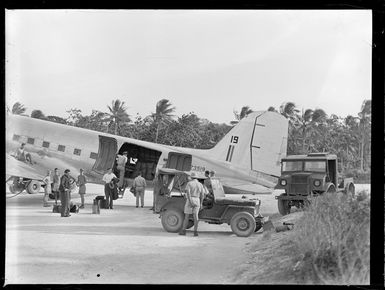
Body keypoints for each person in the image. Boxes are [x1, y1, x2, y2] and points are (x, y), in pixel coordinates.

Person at [179, 172, 206, 237]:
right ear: (196, 178)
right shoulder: (200, 184)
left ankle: (183, 231)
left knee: (187, 217)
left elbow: (188, 193)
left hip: (190, 199)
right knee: (196, 217)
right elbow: (202, 194)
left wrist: (190, 201)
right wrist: (201, 203)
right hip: (197, 200)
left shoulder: (189, 183)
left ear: (191, 177)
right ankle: (195, 232)